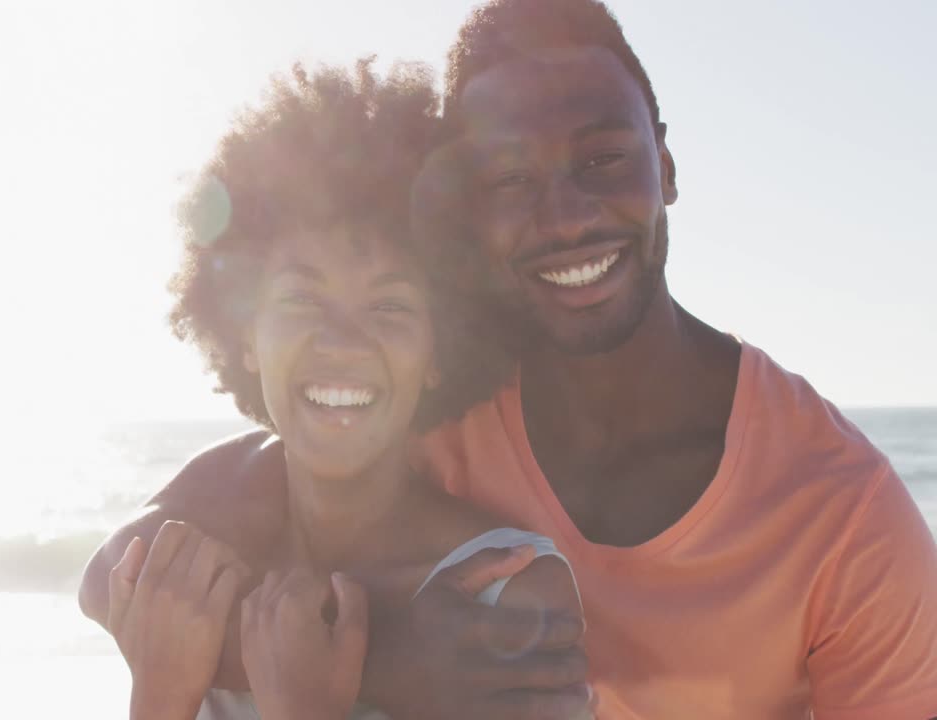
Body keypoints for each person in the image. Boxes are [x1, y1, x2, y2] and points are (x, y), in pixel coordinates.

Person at [83, 1, 937, 718]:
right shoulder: (414, 401)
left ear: (666, 165)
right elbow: (117, 578)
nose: (565, 218)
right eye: (508, 180)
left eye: (603, 159)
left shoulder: (846, 519)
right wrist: (382, 662)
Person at [102, 60, 584, 720]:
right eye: (302, 300)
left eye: (389, 308)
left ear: (441, 350)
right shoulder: (211, 517)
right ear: (245, 332)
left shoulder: (508, 598)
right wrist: (159, 695)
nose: (341, 344)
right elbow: (102, 579)